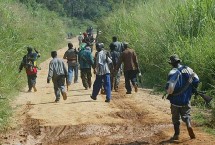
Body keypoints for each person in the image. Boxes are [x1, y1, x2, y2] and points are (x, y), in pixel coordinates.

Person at [165, 54, 199, 140]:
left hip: (175, 100)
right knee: (186, 114)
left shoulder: (172, 72)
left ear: (172, 63)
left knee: (175, 117)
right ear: (179, 61)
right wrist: (193, 90)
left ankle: (176, 135)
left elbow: (170, 87)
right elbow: (196, 80)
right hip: (186, 99)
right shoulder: (188, 69)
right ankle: (188, 124)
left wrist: (168, 92)